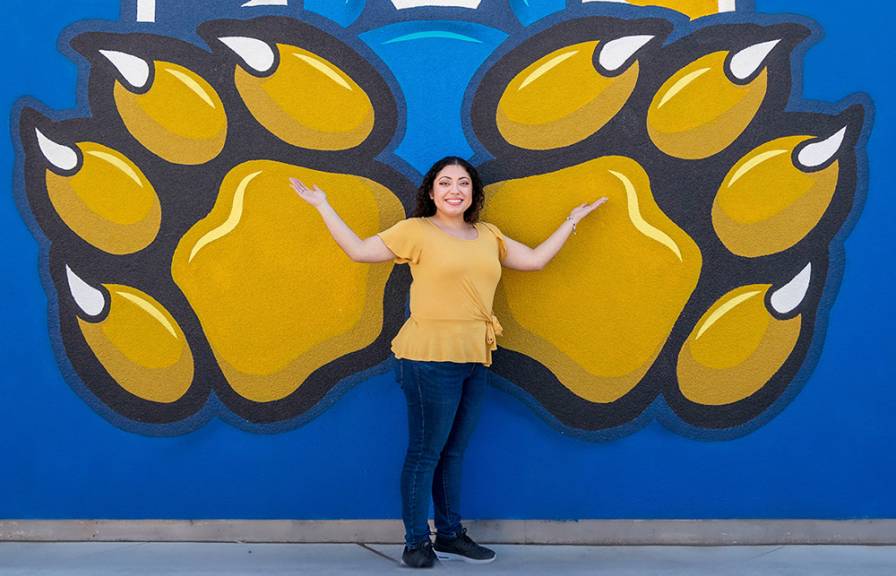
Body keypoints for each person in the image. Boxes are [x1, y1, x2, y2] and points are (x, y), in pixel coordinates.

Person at [290, 156, 606, 568]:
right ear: (432, 191)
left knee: (453, 452)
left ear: (473, 192)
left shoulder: (488, 234)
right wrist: (322, 205)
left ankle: (450, 535)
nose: (454, 189)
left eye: (462, 183)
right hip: (428, 359)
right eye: (445, 182)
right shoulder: (415, 230)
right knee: (426, 453)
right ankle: (416, 542)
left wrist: (571, 221)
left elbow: (534, 260)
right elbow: (358, 251)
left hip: (476, 354)